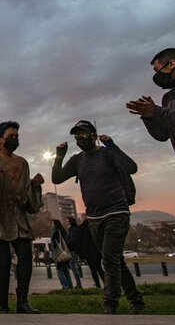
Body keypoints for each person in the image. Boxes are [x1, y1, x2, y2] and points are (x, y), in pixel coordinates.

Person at [52, 120, 145, 314]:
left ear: (94, 136)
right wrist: (59, 156)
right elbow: (56, 178)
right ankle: (136, 300)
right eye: (77, 136)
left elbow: (131, 167)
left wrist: (112, 145)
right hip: (94, 217)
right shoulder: (78, 160)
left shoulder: (106, 153)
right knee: (115, 260)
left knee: (109, 259)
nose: (80, 139)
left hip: (116, 213)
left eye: (84, 135)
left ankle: (109, 304)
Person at [0, 121, 43, 314]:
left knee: (26, 258)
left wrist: (35, 186)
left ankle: (23, 302)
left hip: (17, 216)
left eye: (17, 137)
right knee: (3, 262)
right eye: (10, 136)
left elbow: (26, 193)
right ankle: (3, 305)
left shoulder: (22, 162)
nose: (14, 140)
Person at [126, 48, 175, 180]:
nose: (157, 76)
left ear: (171, 64)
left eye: (158, 70)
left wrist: (158, 111)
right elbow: (162, 135)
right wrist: (149, 116)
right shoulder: (168, 97)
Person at [78, 214, 104, 288]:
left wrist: (81, 252)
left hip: (87, 252)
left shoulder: (81, 228)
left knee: (93, 269)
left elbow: (80, 241)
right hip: (96, 251)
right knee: (99, 268)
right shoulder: (94, 226)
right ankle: (106, 282)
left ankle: (97, 284)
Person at [51, 219, 73, 289]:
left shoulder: (56, 232)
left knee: (60, 271)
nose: (52, 225)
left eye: (53, 223)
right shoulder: (63, 231)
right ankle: (70, 285)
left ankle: (65, 286)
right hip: (66, 253)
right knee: (66, 270)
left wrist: (54, 254)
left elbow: (54, 244)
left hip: (60, 254)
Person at [66, 217, 83, 289]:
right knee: (73, 267)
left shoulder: (72, 229)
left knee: (73, 267)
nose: (66, 222)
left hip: (71, 250)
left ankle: (79, 284)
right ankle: (78, 284)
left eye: (67, 221)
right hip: (73, 250)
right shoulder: (73, 229)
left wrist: (67, 245)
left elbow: (72, 240)